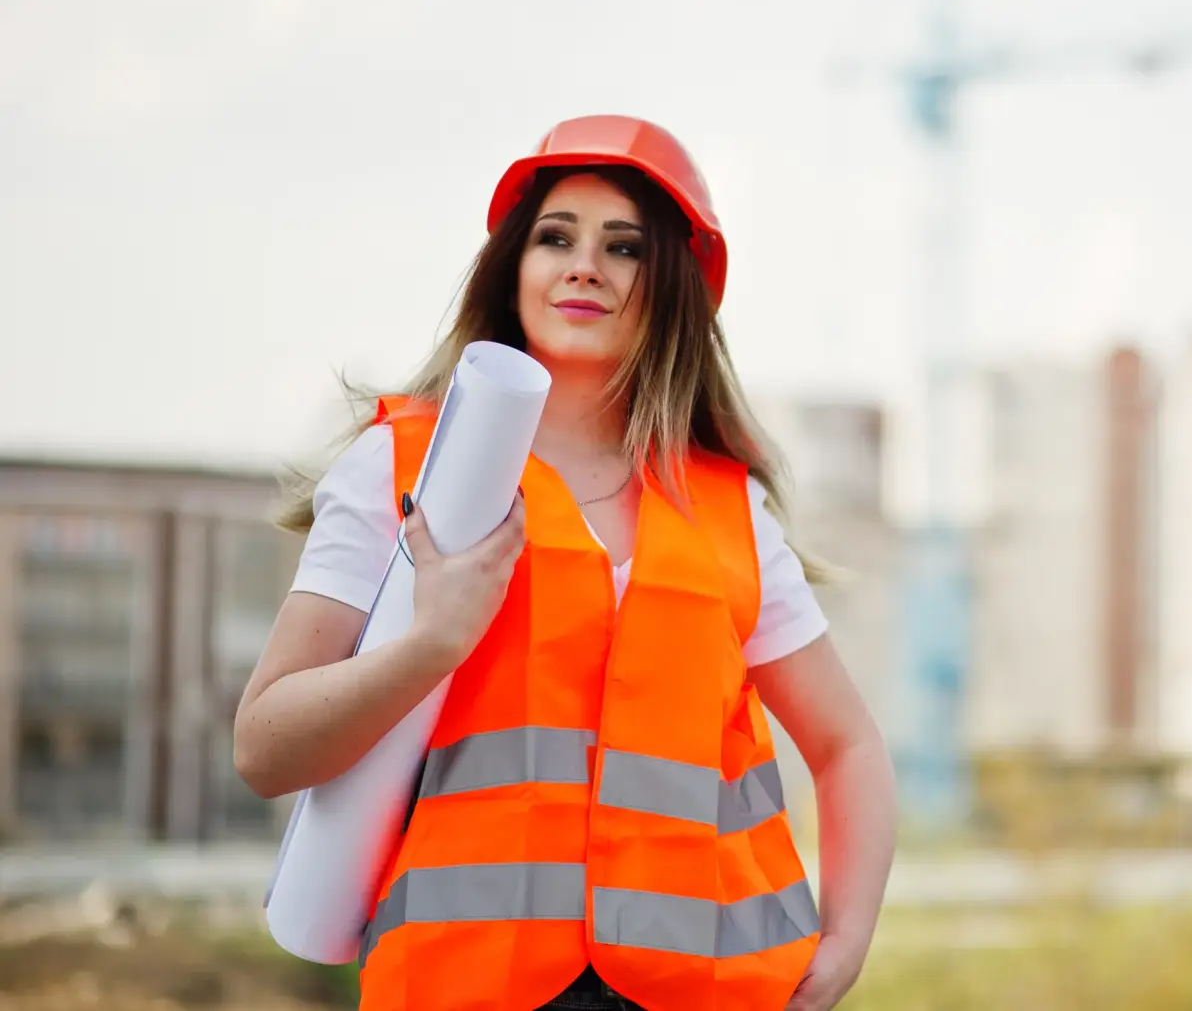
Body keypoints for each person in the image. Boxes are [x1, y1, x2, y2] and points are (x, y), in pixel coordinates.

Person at [234, 115, 896, 1011]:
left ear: (671, 288)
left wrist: (847, 938)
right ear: (513, 266)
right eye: (556, 236)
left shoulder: (728, 509)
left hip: (715, 991)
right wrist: (430, 645)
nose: (585, 264)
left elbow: (846, 743)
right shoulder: (402, 468)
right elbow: (264, 748)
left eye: (624, 247)